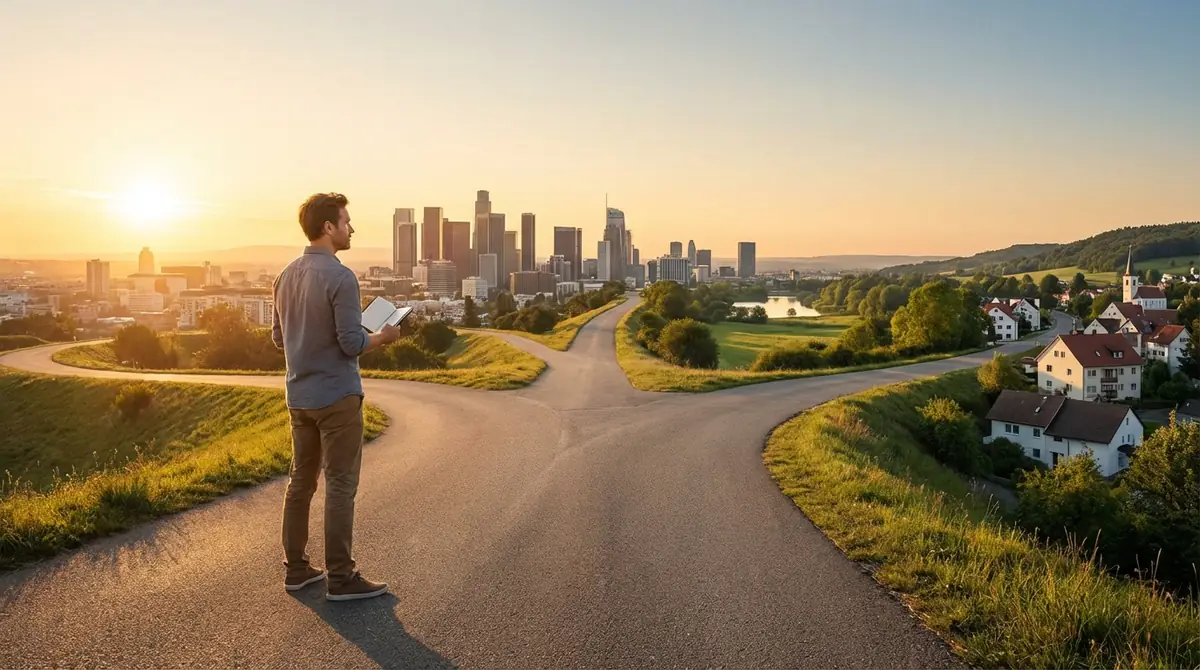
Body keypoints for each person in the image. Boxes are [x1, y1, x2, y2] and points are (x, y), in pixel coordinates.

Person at [271, 192, 402, 601]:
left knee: (300, 482)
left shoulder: (284, 276)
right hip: (337, 397)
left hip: (299, 397)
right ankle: (341, 578)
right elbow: (351, 343)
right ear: (329, 227)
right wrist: (382, 336)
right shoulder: (342, 277)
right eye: (346, 222)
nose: (351, 229)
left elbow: (278, 338)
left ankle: (296, 570)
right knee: (341, 486)